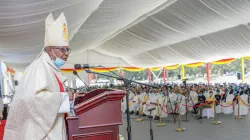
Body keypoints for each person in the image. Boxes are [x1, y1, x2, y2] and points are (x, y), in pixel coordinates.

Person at [4, 13, 75, 140]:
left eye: (67, 49)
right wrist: (63, 97)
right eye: (62, 49)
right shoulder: (39, 67)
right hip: (43, 133)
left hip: (55, 127)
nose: (66, 54)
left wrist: (67, 95)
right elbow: (33, 99)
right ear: (49, 50)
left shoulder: (53, 68)